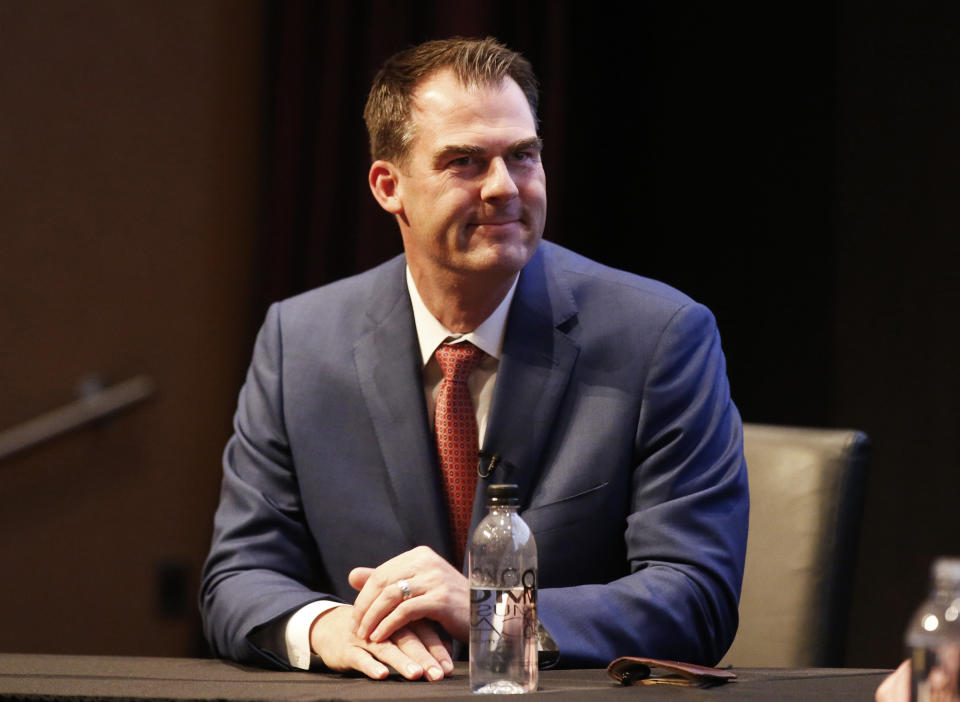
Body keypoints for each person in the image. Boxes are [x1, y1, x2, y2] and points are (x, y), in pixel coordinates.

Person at [200, 37, 749, 682]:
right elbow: (238, 577)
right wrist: (327, 627)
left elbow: (696, 596)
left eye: (523, 156)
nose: (503, 187)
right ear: (388, 186)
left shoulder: (659, 336)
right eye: (465, 161)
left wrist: (495, 610)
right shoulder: (300, 340)